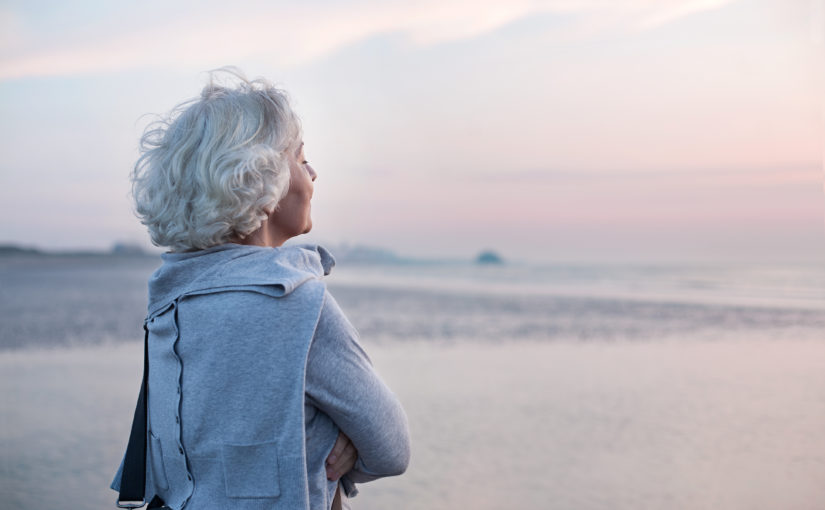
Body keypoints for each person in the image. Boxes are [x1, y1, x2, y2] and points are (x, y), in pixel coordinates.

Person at [110, 68, 411, 510]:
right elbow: (392, 448)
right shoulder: (298, 304)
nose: (312, 172)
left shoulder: (169, 303)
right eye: (301, 156)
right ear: (260, 175)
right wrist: (339, 444)